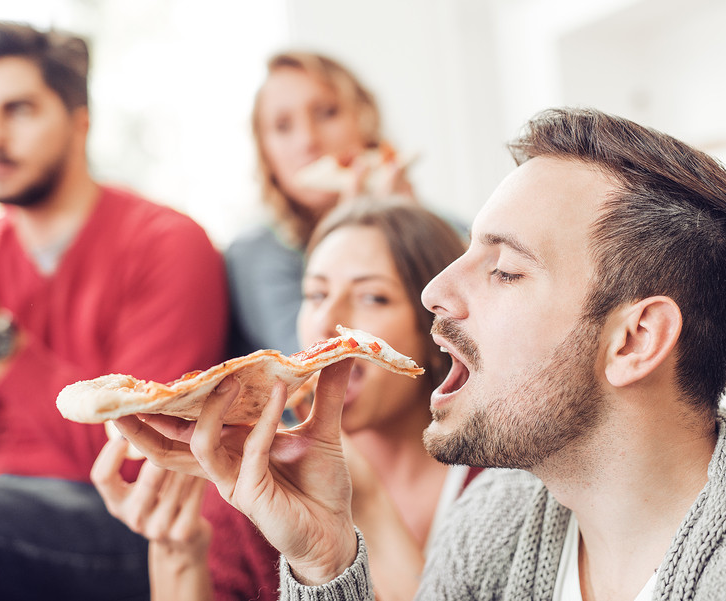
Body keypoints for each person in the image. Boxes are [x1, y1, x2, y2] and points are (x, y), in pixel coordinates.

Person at [116, 107, 726, 600]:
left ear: (635, 340)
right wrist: (325, 562)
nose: (436, 291)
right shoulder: (498, 518)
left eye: (504, 270)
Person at [0, 20, 228, 601]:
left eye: (18, 110)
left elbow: (141, 459)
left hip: (127, 521)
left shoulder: (168, 241)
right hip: (0, 514)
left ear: (81, 120)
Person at [94, 201, 475, 601]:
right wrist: (179, 552)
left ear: (439, 333)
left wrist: (367, 504)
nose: (325, 323)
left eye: (373, 298)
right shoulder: (252, 483)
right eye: (315, 294)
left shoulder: (505, 474)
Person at [225, 51, 415, 357]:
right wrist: (355, 238)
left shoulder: (444, 225)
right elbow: (317, 369)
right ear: (266, 154)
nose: (307, 141)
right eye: (283, 126)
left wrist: (416, 236)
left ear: (364, 122)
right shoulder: (256, 254)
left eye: (327, 113)